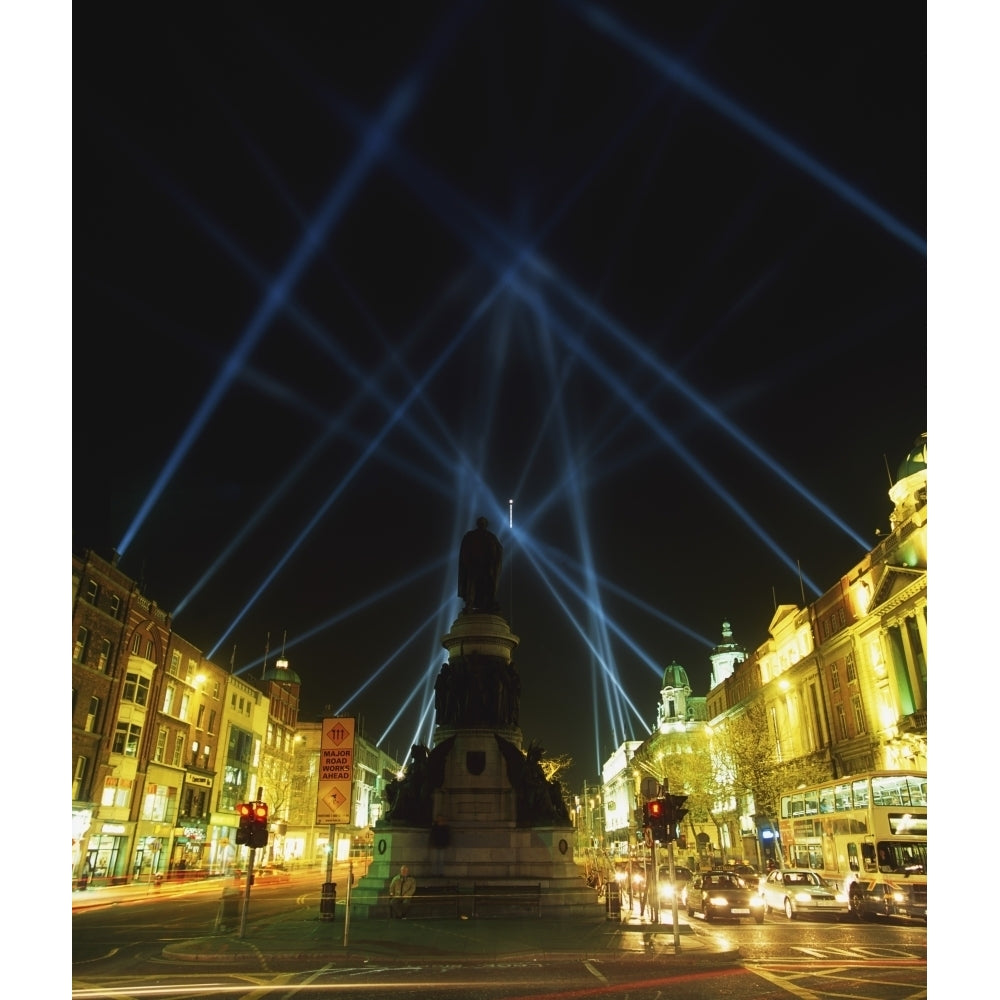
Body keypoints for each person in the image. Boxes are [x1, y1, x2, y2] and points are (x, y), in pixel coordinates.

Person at [458, 517, 503, 612]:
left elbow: (498, 551)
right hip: (474, 566)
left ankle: (487, 605)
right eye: (481, 522)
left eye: (483, 522)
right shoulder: (471, 535)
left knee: (485, 587)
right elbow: (465, 551)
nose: (482, 524)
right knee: (472, 586)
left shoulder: (490, 536)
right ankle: (470, 605)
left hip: (485, 567)